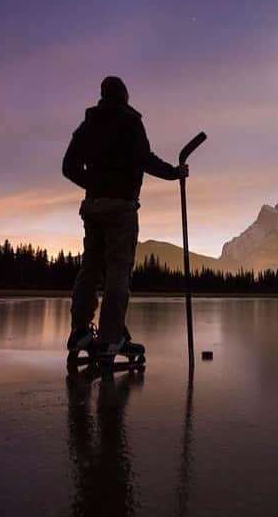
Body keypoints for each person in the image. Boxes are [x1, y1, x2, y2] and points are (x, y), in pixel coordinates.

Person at [62, 75, 188, 359]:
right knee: (118, 270)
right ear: (124, 96)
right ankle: (110, 338)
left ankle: (79, 332)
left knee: (90, 268)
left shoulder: (88, 125)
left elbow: (68, 167)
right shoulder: (130, 122)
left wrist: (94, 186)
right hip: (121, 208)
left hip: (93, 207)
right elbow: (146, 159)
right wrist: (174, 173)